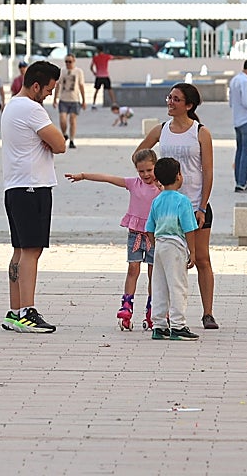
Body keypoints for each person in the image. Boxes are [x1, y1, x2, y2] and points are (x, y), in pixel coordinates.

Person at [135, 83, 219, 330]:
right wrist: (150, 177)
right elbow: (140, 153)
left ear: (189, 105)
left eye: (176, 99)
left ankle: (208, 313)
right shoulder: (161, 130)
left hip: (194, 204)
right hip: (168, 206)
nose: (170, 102)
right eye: (169, 98)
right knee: (163, 262)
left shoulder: (200, 132)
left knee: (201, 258)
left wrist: (202, 207)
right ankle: (163, 315)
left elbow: (208, 171)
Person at [0, 60, 66, 334]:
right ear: (36, 85)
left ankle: (15, 311)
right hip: (32, 187)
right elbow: (60, 144)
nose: (50, 94)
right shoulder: (31, 108)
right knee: (32, 251)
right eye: (48, 89)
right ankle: (27, 310)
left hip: (15, 186)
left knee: (19, 250)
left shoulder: (12, 105)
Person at [65, 148, 160, 330]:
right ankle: (127, 304)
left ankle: (153, 307)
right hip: (135, 235)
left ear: (156, 166)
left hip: (154, 236)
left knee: (153, 274)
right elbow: (108, 178)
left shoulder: (161, 187)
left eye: (149, 170)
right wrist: (83, 175)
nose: (146, 174)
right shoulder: (134, 184)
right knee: (133, 268)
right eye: (141, 171)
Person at [145, 157, 200, 340]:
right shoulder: (182, 201)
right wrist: (192, 252)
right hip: (176, 246)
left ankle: (159, 325)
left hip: (159, 244)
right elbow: (189, 228)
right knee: (178, 285)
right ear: (178, 176)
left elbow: (149, 229)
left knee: (159, 285)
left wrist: (155, 246)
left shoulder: (157, 200)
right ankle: (178, 325)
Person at [229, 59, 247, 193]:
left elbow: (231, 102)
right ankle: (242, 183)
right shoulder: (245, 81)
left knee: (240, 151)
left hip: (237, 119)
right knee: (246, 152)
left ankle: (239, 181)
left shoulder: (234, 80)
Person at [54, 54, 87, 149]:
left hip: (75, 99)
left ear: (74, 61)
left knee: (73, 120)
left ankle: (72, 139)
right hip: (63, 99)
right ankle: (64, 134)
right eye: (66, 61)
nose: (68, 63)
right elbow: (58, 85)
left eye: (70, 61)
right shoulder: (62, 71)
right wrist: (55, 98)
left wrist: (84, 100)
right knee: (62, 119)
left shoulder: (78, 72)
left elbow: (81, 86)